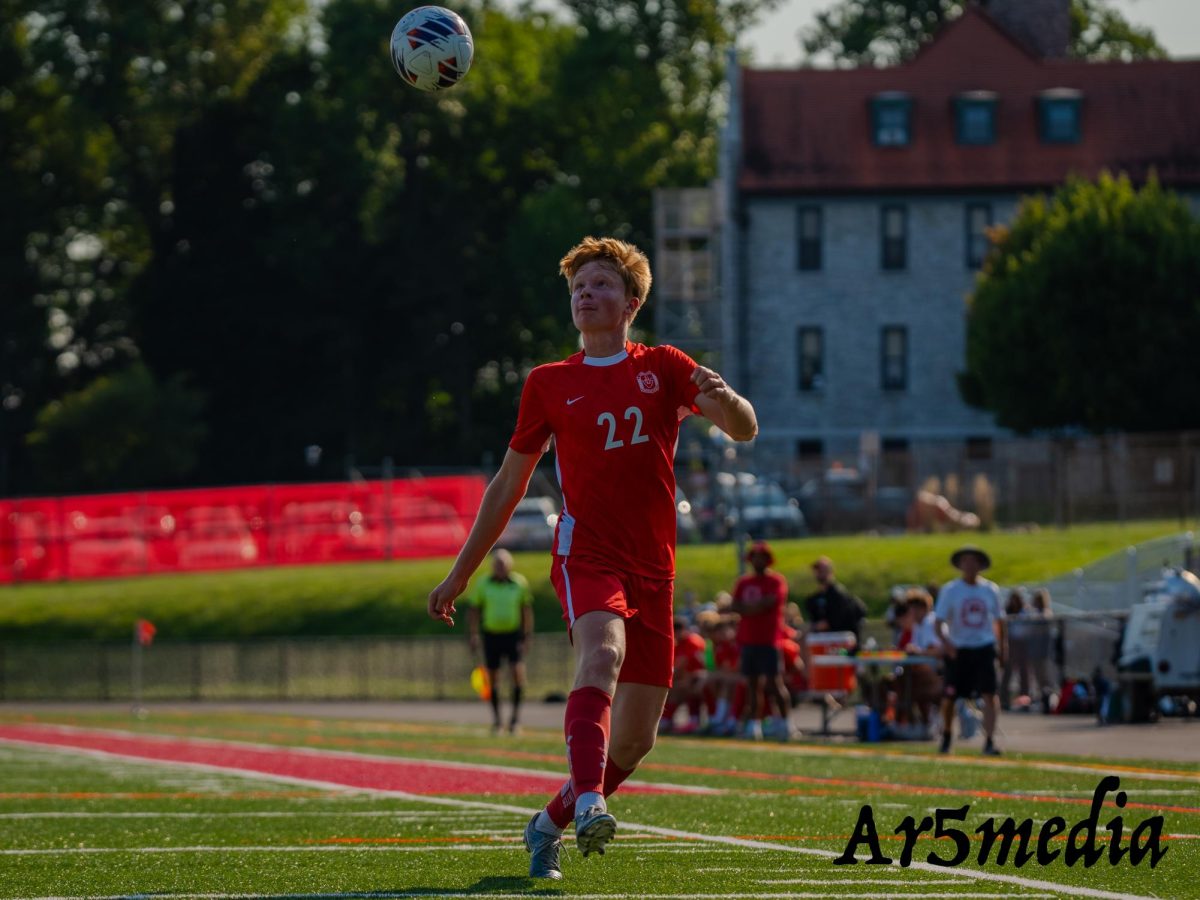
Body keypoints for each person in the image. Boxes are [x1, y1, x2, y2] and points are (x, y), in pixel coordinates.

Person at [427, 236, 757, 880]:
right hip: (588, 552)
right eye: (578, 286)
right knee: (600, 653)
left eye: (601, 283)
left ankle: (546, 822)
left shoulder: (662, 365)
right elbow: (507, 485)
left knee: (636, 740)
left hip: (654, 566)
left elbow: (742, 428)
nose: (585, 293)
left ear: (631, 301)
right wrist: (460, 572)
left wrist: (730, 399)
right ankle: (589, 803)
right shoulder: (549, 383)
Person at [935, 546, 1005, 756]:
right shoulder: (951, 590)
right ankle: (947, 734)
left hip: (984, 647)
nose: (970, 565)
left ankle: (989, 740)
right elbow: (938, 622)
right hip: (959, 649)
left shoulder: (990, 590)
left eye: (974, 561)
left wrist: (1003, 646)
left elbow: (1000, 620)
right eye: (965, 561)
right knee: (950, 697)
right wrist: (947, 644)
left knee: (989, 695)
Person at [466, 548, 534, 735]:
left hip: (512, 636)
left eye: (503, 564)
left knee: (517, 675)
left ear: (510, 565)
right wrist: (473, 634)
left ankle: (515, 720)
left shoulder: (519, 583)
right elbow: (474, 610)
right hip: (491, 635)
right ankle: (497, 721)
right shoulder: (483, 584)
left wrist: (526, 636)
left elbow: (526, 611)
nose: (500, 567)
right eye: (497, 564)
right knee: (493, 679)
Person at [731, 540, 792, 740]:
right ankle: (754, 725)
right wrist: (755, 607)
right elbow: (736, 605)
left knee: (775, 684)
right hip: (749, 639)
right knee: (752, 686)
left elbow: (769, 603)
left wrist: (750, 608)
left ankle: (785, 724)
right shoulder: (744, 582)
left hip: (769, 640)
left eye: (761, 557)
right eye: (754, 556)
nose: (758, 560)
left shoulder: (776, 581)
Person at [804, 556, 867, 646]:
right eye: (818, 571)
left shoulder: (839, 594)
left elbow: (835, 620)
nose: (819, 574)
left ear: (830, 572)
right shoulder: (815, 598)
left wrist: (815, 626)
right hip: (823, 641)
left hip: (840, 642)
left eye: (822, 571)